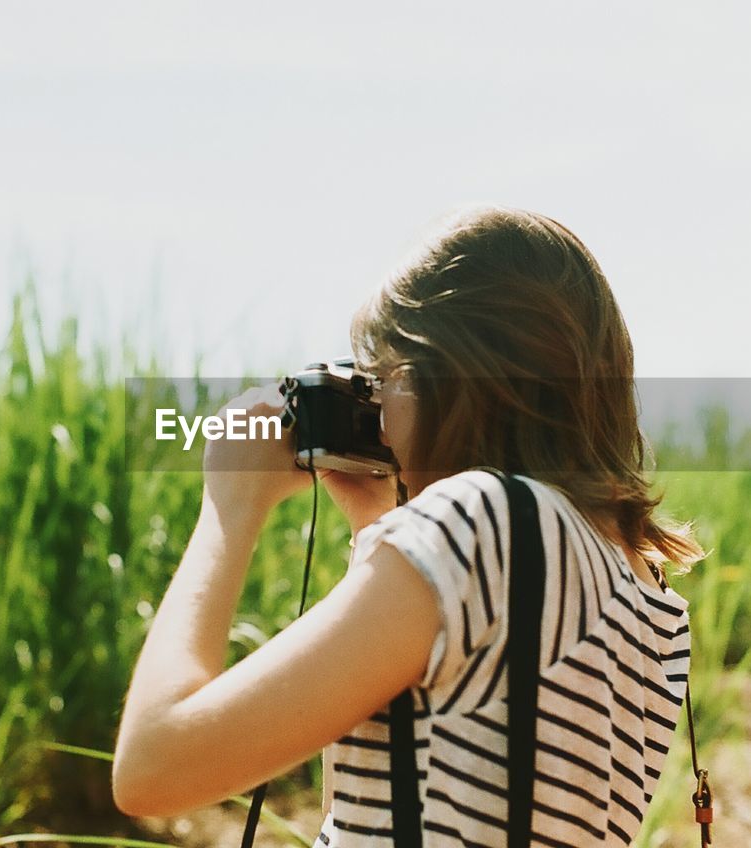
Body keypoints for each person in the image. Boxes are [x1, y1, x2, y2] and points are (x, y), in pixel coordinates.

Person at [112, 205, 706, 846]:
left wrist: (229, 507)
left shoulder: (483, 524)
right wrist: (382, 528)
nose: (378, 416)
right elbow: (403, 795)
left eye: (385, 379)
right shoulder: (646, 590)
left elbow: (153, 767)